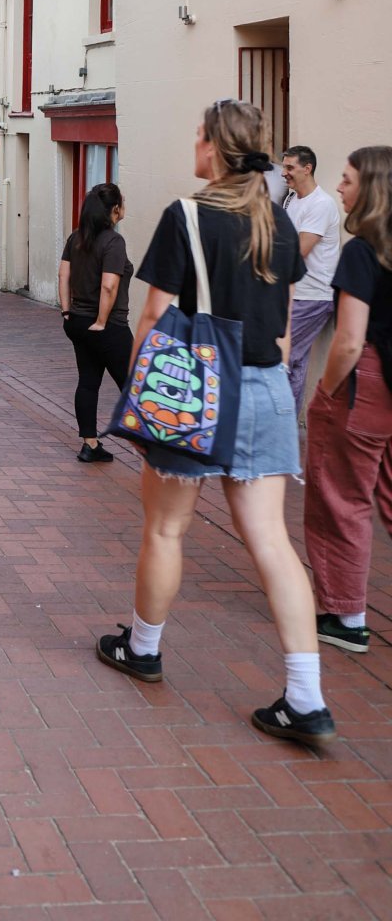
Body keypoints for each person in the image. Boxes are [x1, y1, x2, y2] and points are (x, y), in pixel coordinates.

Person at [96, 100, 336, 748]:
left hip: (197, 386)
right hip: (265, 388)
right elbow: (283, 328)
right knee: (272, 542)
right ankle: (306, 698)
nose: (194, 144)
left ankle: (143, 648)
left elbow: (153, 317)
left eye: (199, 136)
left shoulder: (187, 215)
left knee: (166, 528)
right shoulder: (279, 223)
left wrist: (142, 391)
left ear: (214, 149)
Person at [304, 146, 392, 656]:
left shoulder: (362, 252)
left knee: (341, 499)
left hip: (364, 387)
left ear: (372, 190)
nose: (339, 187)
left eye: (347, 179)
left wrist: (327, 392)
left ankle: (346, 617)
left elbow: (350, 339)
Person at [58, 183, 133, 464]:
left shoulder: (75, 238)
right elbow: (109, 286)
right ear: (114, 210)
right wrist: (102, 321)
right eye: (122, 202)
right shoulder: (114, 242)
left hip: (78, 322)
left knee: (88, 382)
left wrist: (67, 312)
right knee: (134, 386)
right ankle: (154, 449)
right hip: (109, 326)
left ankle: (90, 444)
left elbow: (63, 276)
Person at [281, 145, 342, 415]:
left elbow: (298, 252)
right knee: (295, 362)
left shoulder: (321, 204)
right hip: (297, 293)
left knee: (282, 359)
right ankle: (289, 427)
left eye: (290, 167)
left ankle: (281, 425)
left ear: (307, 168)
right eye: (283, 167)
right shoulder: (292, 200)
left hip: (313, 296)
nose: (284, 173)